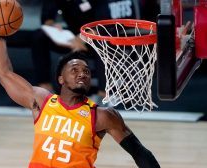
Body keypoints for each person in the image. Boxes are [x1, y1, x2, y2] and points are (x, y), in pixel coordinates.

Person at [0, 36, 169, 168]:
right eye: (74, 70)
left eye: (86, 71)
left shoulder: (102, 116)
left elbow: (138, 151)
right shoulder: (42, 101)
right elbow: (3, 73)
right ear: (61, 79)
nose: (82, 74)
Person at [31, 0, 159, 105]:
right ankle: (45, 89)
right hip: (71, 38)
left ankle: (103, 94)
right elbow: (47, 16)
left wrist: (82, 38)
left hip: (101, 35)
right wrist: (53, 26)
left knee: (100, 41)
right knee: (39, 35)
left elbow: (103, 25)